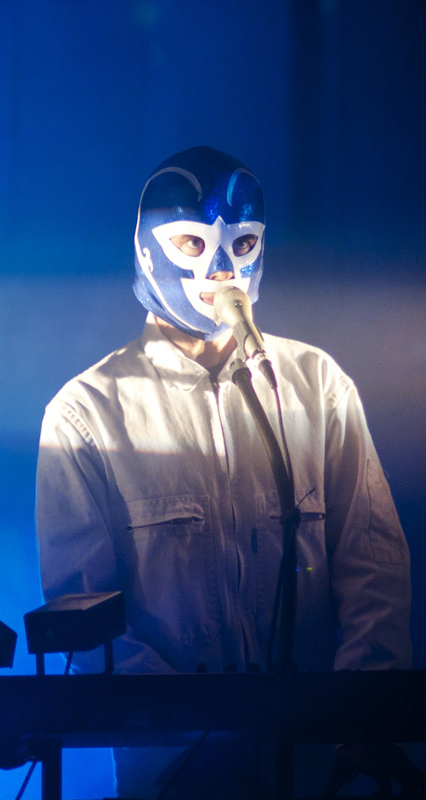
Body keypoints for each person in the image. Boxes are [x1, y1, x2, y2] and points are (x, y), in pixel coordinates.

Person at [35, 146, 412, 798]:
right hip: (172, 775)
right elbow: (85, 618)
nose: (220, 268)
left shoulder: (318, 386)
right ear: (145, 248)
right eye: (191, 241)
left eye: (242, 244)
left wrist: (363, 714)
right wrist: (194, 729)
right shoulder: (86, 413)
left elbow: (373, 565)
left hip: (319, 768)